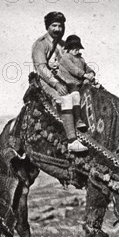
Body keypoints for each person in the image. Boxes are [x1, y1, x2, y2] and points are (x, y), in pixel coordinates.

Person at [31, 11, 87, 153]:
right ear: (47, 27)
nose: (58, 29)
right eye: (54, 25)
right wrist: (56, 84)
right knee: (66, 99)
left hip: (64, 79)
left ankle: (79, 124)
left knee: (79, 94)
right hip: (47, 81)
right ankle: (72, 141)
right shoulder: (41, 44)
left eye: (60, 26)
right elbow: (41, 68)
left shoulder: (63, 45)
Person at [57, 34, 96, 135]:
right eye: (73, 48)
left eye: (77, 48)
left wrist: (91, 73)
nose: (76, 50)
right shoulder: (65, 58)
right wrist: (85, 75)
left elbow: (87, 67)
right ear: (69, 48)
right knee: (75, 94)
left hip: (80, 83)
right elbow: (73, 70)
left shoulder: (81, 59)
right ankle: (78, 119)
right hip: (69, 83)